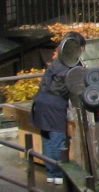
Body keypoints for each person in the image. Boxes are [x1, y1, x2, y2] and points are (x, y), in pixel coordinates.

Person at [31, 32, 86, 183]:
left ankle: (51, 174)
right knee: (57, 140)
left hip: (40, 100)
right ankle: (59, 174)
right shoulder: (72, 65)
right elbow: (76, 91)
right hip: (54, 105)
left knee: (47, 139)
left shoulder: (58, 61)